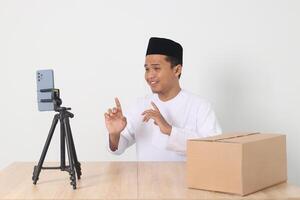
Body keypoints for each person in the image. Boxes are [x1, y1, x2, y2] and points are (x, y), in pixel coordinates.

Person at [104, 37, 222, 161]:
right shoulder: (140, 105)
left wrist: (169, 130)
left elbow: (214, 148)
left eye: (156, 68)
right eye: (147, 69)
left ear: (177, 70)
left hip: (185, 180)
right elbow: (118, 147)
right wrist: (114, 134)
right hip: (146, 180)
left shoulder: (200, 106)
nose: (149, 75)